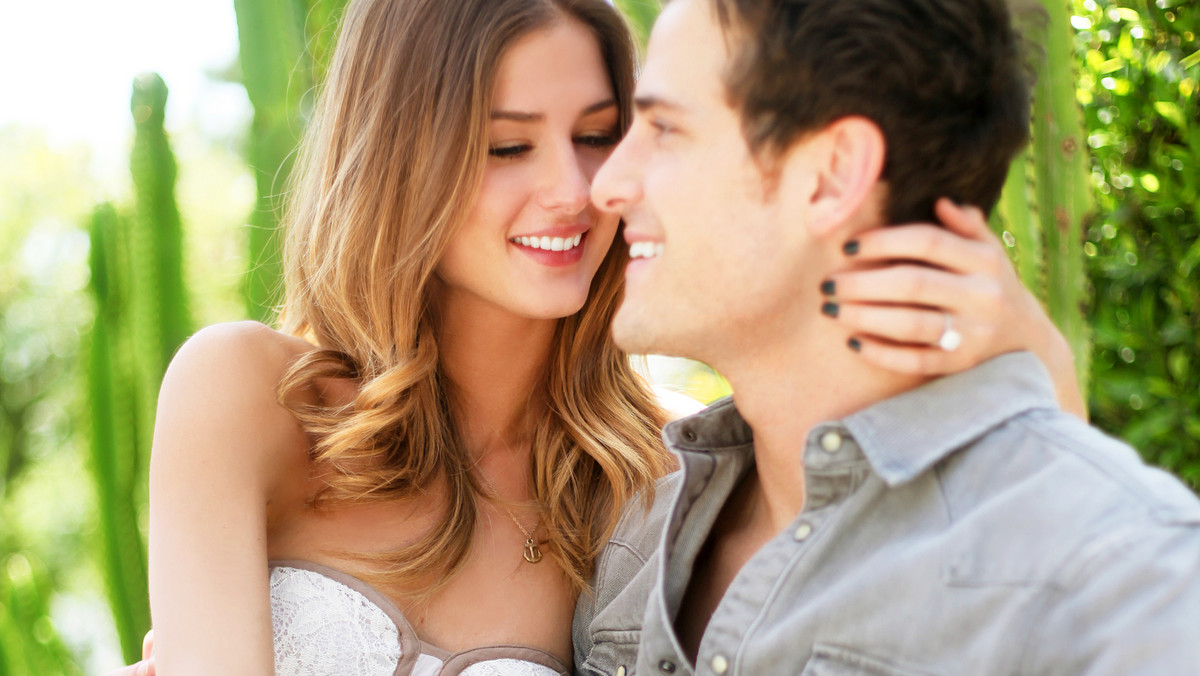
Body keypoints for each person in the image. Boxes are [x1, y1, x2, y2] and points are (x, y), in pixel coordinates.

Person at [109, 0, 1087, 674]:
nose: (574, 190)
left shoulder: (647, 490)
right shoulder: (246, 397)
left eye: (598, 134)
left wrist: (1038, 370)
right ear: (402, 159)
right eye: (506, 145)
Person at [574, 0, 1200, 673]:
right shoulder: (633, 537)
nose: (606, 185)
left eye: (665, 128)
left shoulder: (1122, 586)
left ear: (834, 175)